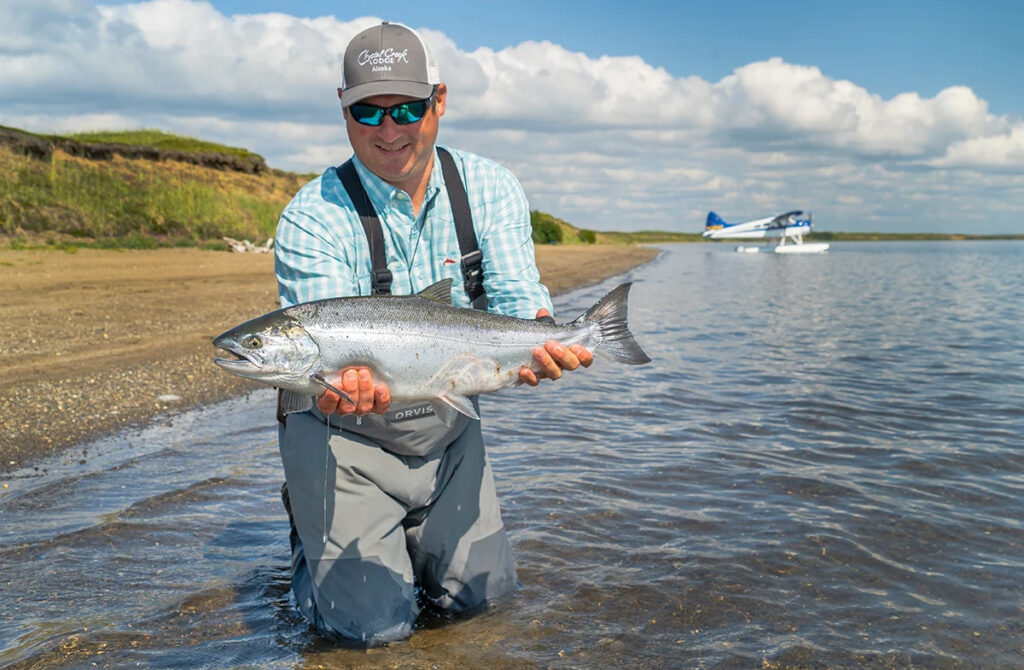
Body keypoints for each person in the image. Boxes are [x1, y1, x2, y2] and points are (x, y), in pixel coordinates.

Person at [272, 21, 593, 644]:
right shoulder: (311, 216)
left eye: (407, 108)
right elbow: (325, 355)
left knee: (482, 608)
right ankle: (313, 556)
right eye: (368, 111)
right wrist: (333, 390)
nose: (389, 131)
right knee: (370, 633)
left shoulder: (491, 188)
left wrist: (547, 343)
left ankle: (407, 542)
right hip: (343, 432)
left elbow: (521, 307)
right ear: (343, 111)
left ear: (438, 101)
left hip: (449, 428)